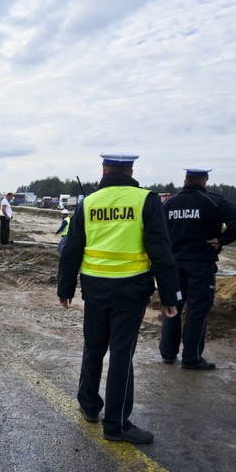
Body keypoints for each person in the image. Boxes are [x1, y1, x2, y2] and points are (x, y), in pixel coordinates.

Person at [58, 152, 180, 444]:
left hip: (95, 290)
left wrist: (65, 289)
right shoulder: (146, 200)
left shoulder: (89, 203)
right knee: (121, 356)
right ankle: (116, 424)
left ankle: (89, 406)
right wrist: (169, 295)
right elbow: (161, 251)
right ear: (131, 170)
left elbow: (72, 248)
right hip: (130, 291)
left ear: (104, 169)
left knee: (94, 348)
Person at [159, 168, 236, 369]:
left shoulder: (169, 203)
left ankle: (168, 353)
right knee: (197, 311)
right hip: (201, 265)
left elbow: (158, 231)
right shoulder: (213, 201)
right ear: (205, 181)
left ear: (185, 180)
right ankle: (191, 358)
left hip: (174, 265)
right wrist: (222, 239)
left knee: (172, 307)